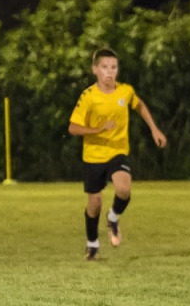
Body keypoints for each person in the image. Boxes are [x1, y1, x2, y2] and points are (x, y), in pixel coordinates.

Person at [67, 48, 167, 261]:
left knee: (123, 188)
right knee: (94, 203)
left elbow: (139, 105)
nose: (110, 72)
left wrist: (154, 129)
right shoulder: (88, 97)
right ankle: (92, 244)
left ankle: (113, 218)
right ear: (95, 69)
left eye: (113, 67)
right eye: (104, 67)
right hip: (93, 155)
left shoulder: (125, 91)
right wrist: (98, 130)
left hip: (117, 152)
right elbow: (73, 128)